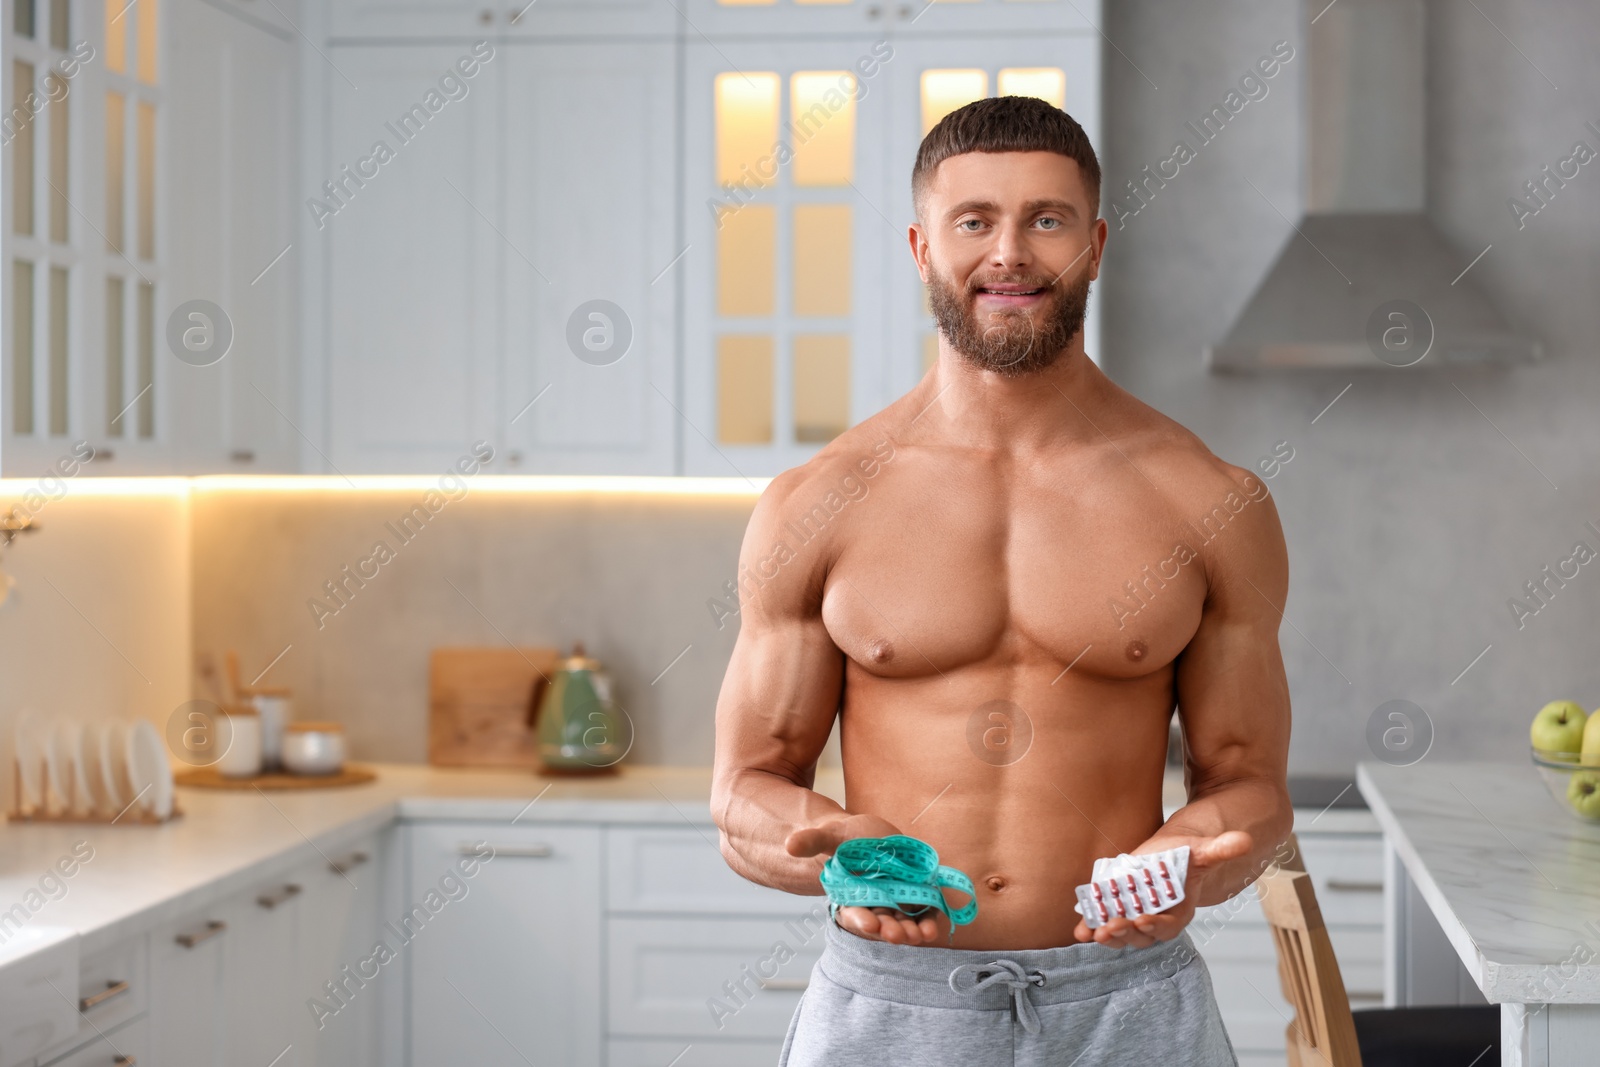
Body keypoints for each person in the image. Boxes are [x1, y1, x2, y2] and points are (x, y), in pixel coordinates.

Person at [710, 95, 1292, 1066]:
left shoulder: (1210, 500)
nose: (1009, 253)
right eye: (974, 220)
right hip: (888, 1007)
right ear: (920, 246)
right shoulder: (816, 503)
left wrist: (1192, 860)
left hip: (1126, 1002)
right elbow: (744, 796)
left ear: (1095, 245)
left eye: (1046, 219)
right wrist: (842, 851)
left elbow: (1251, 788)